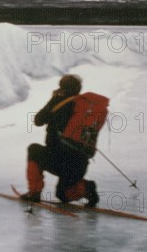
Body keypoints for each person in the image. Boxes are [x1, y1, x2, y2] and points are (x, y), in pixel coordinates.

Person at [21, 74, 99, 207]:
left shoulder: (58, 102)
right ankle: (86, 188)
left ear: (62, 88)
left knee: (34, 150)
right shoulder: (85, 109)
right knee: (63, 195)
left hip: (58, 159)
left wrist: (53, 100)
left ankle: (34, 193)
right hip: (78, 165)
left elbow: (38, 120)